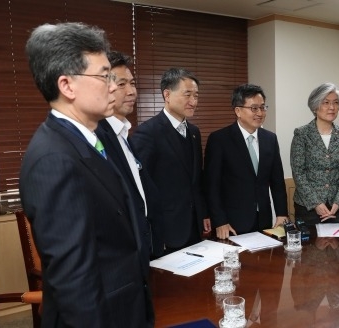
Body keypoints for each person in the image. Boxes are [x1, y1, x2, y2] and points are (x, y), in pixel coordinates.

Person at [19, 22, 154, 327]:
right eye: (105, 76)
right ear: (67, 86)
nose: (114, 86)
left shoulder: (91, 138)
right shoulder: (54, 159)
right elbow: (74, 282)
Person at [130, 68, 209, 253]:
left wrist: (203, 213)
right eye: (187, 95)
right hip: (166, 229)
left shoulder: (194, 132)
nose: (193, 101)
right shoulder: (148, 133)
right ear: (167, 94)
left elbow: (196, 180)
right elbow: (142, 187)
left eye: (196, 96)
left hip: (194, 225)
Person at [95, 51, 163, 259]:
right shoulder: (97, 137)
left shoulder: (123, 134)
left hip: (145, 247)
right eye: (122, 84)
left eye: (132, 84)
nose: (132, 91)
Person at [204, 84, 288, 239]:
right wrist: (220, 221)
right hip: (232, 223)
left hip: (264, 219)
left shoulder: (270, 139)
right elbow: (212, 186)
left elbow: (277, 182)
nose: (260, 113)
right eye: (254, 108)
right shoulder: (219, 139)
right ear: (238, 111)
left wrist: (282, 213)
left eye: (263, 107)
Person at [290, 83, 339, 224]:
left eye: (335, 103)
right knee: (309, 246)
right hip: (307, 207)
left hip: (336, 208)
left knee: (337, 246)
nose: (332, 107)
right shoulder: (302, 134)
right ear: (315, 106)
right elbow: (298, 172)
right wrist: (316, 203)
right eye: (326, 102)